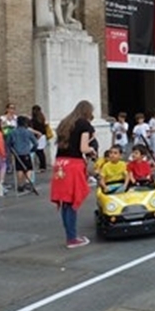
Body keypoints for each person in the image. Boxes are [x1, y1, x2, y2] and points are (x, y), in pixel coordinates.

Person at [51, 100, 97, 249]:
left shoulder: (65, 122)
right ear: (88, 112)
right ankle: (72, 238)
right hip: (73, 164)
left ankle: (70, 235)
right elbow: (83, 148)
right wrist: (92, 150)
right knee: (73, 201)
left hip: (60, 163)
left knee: (65, 202)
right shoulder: (84, 124)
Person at [8, 116, 38, 192]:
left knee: (19, 169)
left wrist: (12, 150)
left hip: (17, 153)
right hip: (26, 152)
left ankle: (20, 184)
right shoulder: (28, 132)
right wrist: (33, 149)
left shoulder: (13, 132)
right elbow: (35, 143)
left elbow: (8, 143)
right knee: (29, 168)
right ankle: (27, 182)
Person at [30, 105, 49, 172]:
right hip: (43, 136)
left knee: (38, 152)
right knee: (41, 152)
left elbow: (36, 129)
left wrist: (36, 137)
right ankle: (43, 166)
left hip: (38, 136)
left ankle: (41, 166)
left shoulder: (34, 120)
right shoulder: (42, 118)